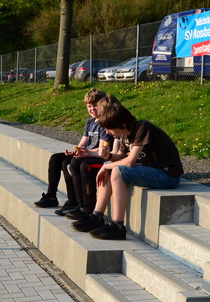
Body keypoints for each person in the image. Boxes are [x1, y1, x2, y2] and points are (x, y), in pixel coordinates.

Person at [72, 95, 184, 240]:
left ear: (122, 124)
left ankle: (118, 226)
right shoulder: (125, 135)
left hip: (168, 176)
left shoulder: (143, 128)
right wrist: (108, 158)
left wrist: (107, 166)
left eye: (109, 128)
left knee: (117, 170)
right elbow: (120, 158)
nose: (107, 132)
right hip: (152, 171)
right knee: (112, 167)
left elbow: (130, 161)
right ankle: (96, 216)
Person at [34, 88, 112, 215]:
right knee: (56, 158)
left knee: (69, 164)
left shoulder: (105, 122)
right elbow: (83, 142)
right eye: (89, 106)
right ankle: (51, 196)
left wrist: (85, 152)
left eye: (95, 106)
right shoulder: (90, 121)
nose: (92, 109)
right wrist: (75, 151)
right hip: (87, 153)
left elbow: (103, 148)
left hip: (97, 156)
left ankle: (75, 202)